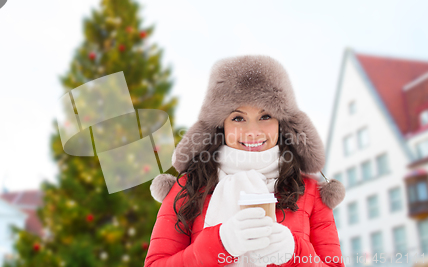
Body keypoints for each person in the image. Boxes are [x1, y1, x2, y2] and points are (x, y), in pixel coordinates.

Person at [144, 55, 346, 267]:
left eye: (265, 116)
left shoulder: (311, 192)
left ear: (282, 123)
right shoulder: (187, 187)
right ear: (221, 125)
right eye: (238, 118)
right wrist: (220, 244)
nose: (252, 132)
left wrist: (295, 254)